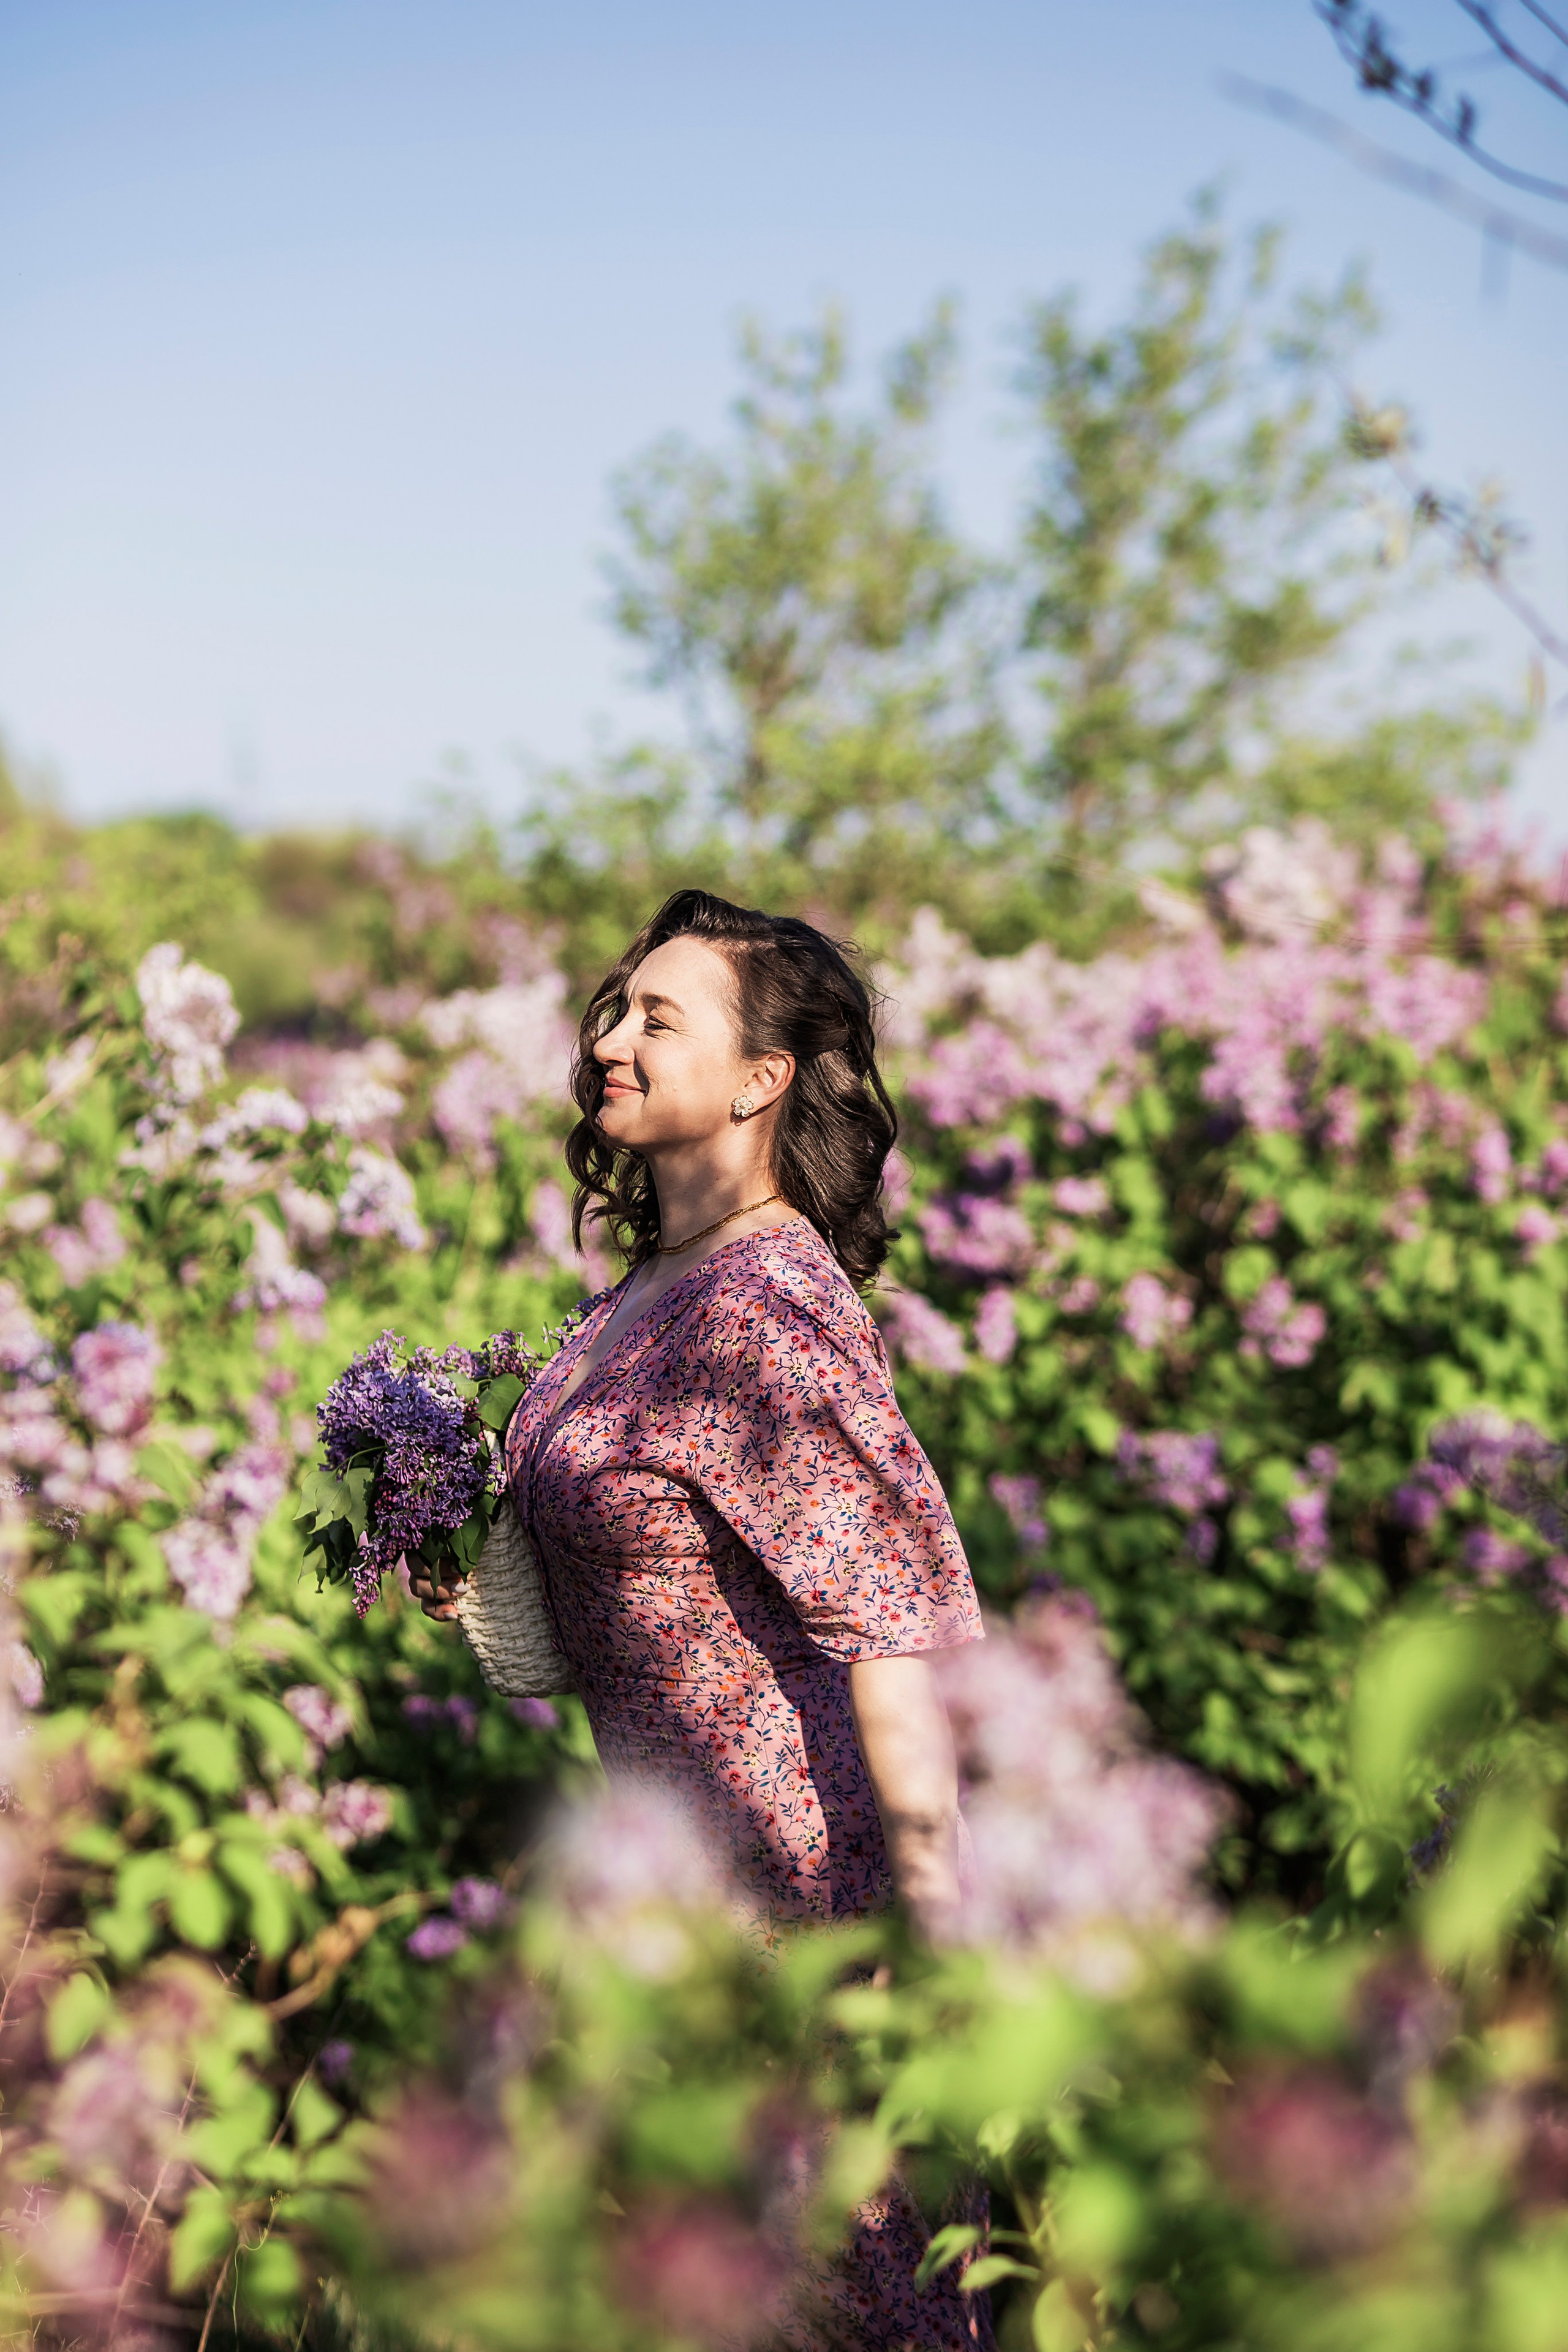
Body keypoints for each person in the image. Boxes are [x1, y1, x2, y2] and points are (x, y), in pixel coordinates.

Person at [417, 888, 992, 2348]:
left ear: (760, 1079)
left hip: (808, 1908)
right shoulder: (646, 1289)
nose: (610, 1038)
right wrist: (454, 1536)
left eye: (656, 1019)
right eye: (614, 1008)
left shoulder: (764, 1307)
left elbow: (895, 1629)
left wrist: (939, 1948)